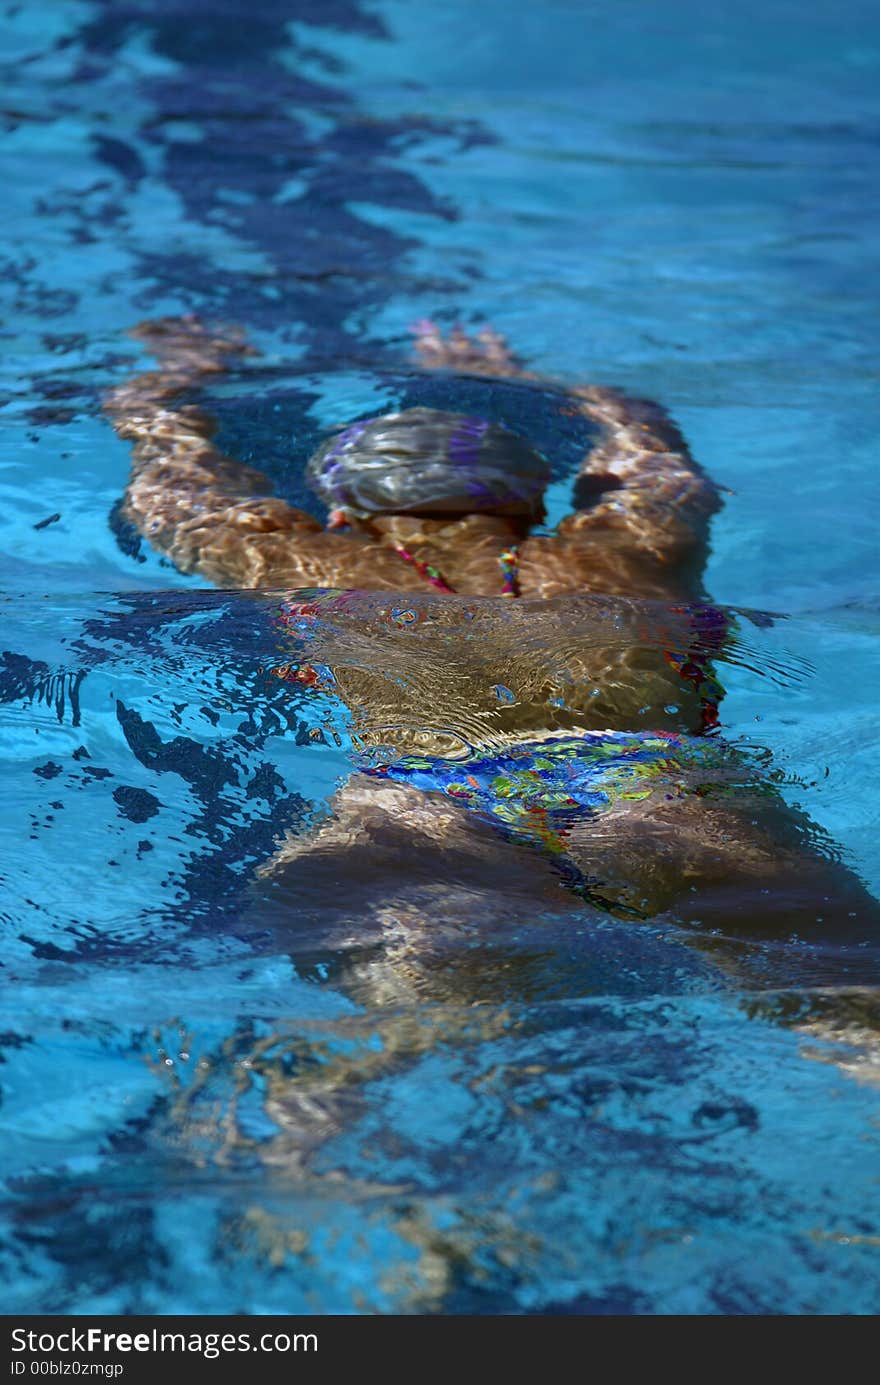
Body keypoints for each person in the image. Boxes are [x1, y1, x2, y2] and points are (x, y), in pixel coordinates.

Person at [103, 315, 879, 958]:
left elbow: (171, 488)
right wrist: (562, 386)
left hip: (426, 797)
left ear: (343, 512)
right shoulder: (627, 548)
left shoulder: (300, 558)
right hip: (654, 783)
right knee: (840, 1000)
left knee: (370, 1059)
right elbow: (664, 469)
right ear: (531, 501)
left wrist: (176, 379)